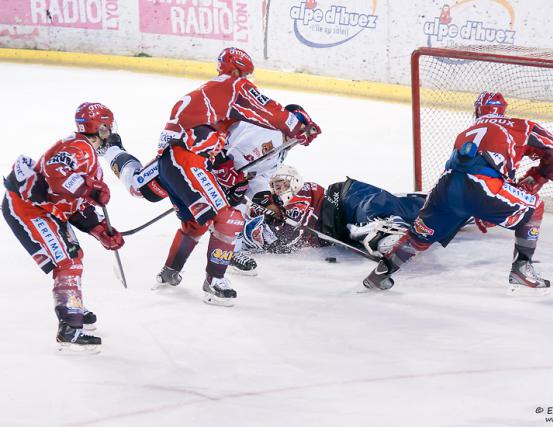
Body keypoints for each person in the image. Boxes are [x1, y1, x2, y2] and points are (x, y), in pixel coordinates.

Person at [105, 47, 320, 305]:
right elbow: (265, 116)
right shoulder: (234, 90)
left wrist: (266, 200)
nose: (247, 80)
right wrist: (299, 127)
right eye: (245, 74)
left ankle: (111, 149)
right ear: (238, 71)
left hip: (183, 158)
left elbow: (257, 178)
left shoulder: (276, 149)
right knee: (225, 218)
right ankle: (214, 281)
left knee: (145, 189)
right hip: (188, 157)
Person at [362, 92, 553, 292]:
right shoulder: (520, 126)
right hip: (483, 186)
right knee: (535, 207)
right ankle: (522, 268)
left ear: (478, 111)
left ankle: (379, 275)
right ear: (503, 111)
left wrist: (479, 207)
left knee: (419, 237)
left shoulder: (466, 133)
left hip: (445, 187)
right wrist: (536, 178)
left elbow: (465, 176)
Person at [2, 102, 125, 352]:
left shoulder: (87, 156)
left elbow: (76, 204)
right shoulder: (80, 148)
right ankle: (70, 328)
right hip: (28, 207)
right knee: (68, 262)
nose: (109, 132)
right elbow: (55, 171)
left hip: (47, 209)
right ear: (100, 127)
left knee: (73, 257)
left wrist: (101, 230)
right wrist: (87, 187)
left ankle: (73, 306)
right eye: (107, 127)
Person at [240, 165, 427, 257]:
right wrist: (270, 218)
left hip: (346, 199)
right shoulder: (282, 217)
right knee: (407, 211)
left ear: (295, 181)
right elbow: (281, 242)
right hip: (344, 227)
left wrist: (275, 220)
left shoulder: (304, 192)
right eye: (276, 187)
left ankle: (387, 227)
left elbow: (293, 232)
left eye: (283, 184)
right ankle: (388, 227)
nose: (280, 190)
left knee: (375, 206)